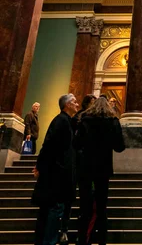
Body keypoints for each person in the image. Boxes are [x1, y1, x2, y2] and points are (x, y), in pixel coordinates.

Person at [74, 95, 125, 245]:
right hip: (103, 168)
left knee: (84, 208)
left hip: (86, 167)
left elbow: (76, 144)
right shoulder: (113, 121)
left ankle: (82, 240)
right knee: (102, 208)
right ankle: (102, 241)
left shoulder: (85, 120)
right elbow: (119, 147)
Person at [32, 94, 79, 245]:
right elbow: (49, 146)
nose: (77, 104)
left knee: (52, 212)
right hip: (57, 176)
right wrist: (39, 166)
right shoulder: (61, 121)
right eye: (74, 102)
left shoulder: (67, 122)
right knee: (53, 212)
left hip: (59, 175)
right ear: (66, 105)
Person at [60, 94, 96, 245]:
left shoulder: (77, 118)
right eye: (93, 103)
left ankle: (68, 231)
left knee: (78, 199)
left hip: (81, 164)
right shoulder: (78, 119)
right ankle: (66, 230)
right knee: (71, 198)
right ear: (88, 104)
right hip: (78, 164)